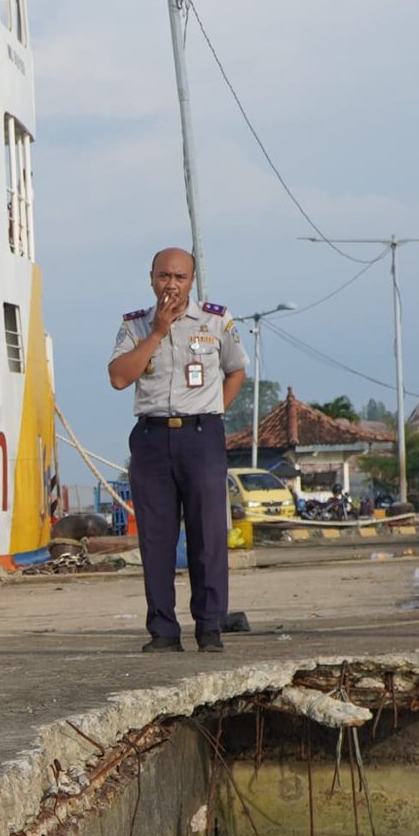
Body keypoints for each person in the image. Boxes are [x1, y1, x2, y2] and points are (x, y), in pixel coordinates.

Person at [107, 248, 248, 652]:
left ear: (192, 281)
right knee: (156, 539)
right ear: (151, 278)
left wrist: (213, 410)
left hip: (201, 435)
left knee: (208, 535)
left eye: (180, 277)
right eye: (164, 276)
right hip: (151, 438)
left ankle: (210, 626)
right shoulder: (135, 326)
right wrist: (157, 332)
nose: (171, 284)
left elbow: (236, 370)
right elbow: (119, 378)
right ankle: (164, 631)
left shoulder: (215, 320)